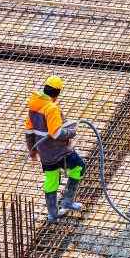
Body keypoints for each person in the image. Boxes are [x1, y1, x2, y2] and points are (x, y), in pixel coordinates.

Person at [24, 75, 87, 222]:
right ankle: (67, 201)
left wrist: (32, 151)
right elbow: (56, 133)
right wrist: (72, 132)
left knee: (51, 179)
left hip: (45, 153)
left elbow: (29, 132)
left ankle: (53, 214)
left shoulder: (34, 106)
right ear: (57, 93)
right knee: (79, 166)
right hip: (59, 151)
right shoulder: (51, 108)